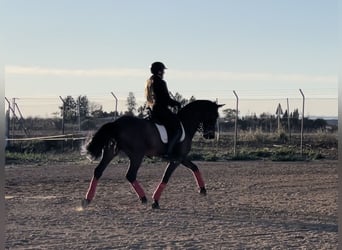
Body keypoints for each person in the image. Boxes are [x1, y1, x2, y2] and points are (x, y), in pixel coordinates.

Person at [145, 61, 182, 159]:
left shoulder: (149, 82)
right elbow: (165, 99)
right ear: (159, 71)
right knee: (177, 129)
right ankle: (168, 152)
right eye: (163, 71)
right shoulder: (160, 82)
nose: (164, 73)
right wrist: (177, 104)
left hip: (150, 110)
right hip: (160, 110)